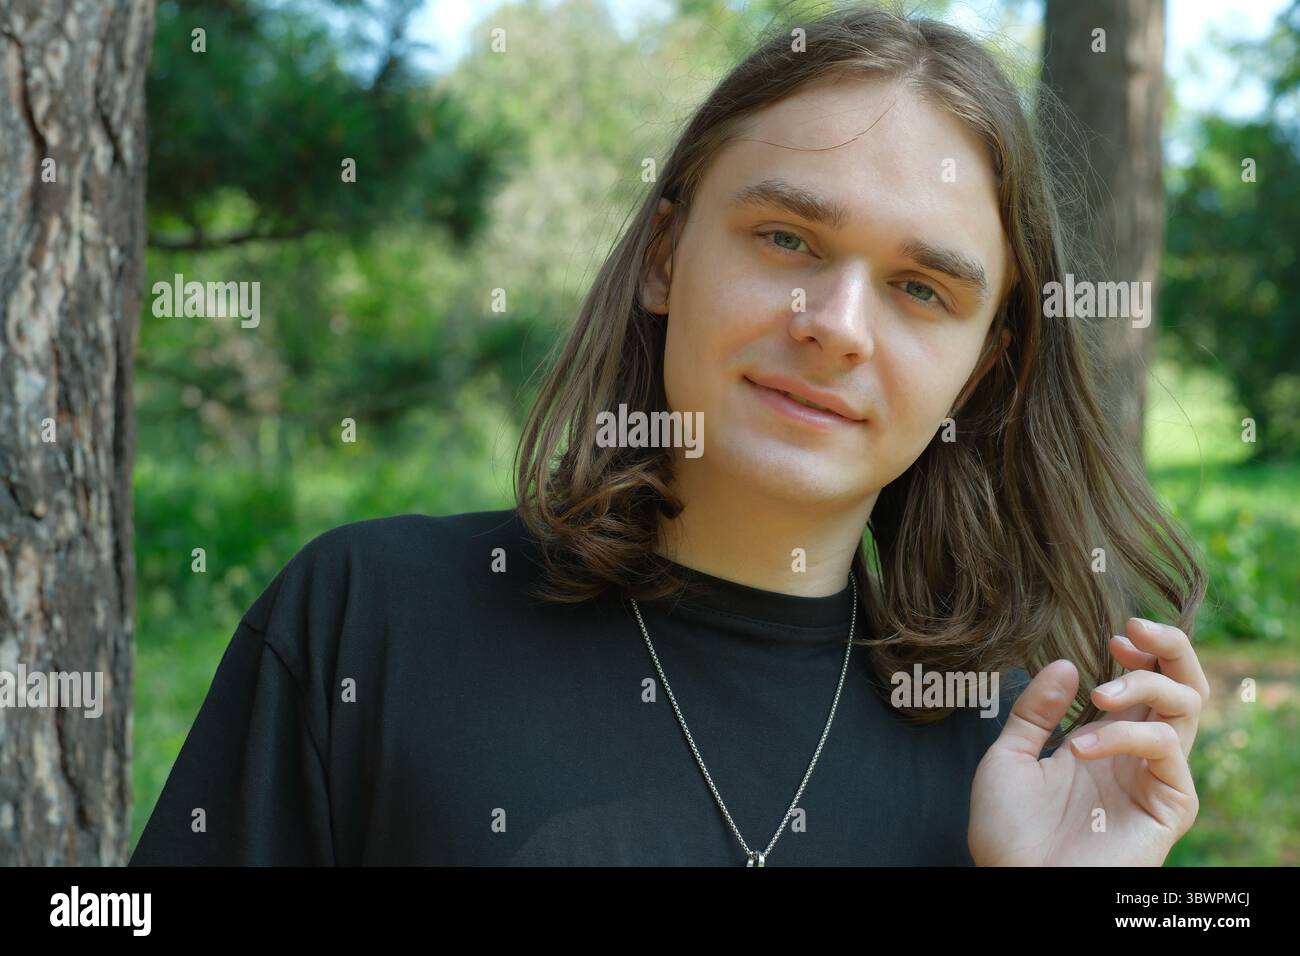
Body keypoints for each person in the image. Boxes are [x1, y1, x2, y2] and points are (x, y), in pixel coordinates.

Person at [129, 4, 1208, 867]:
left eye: (920, 289)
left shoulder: (1006, 759)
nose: (833, 326)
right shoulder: (368, 623)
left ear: (986, 365)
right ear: (662, 255)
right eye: (786, 237)